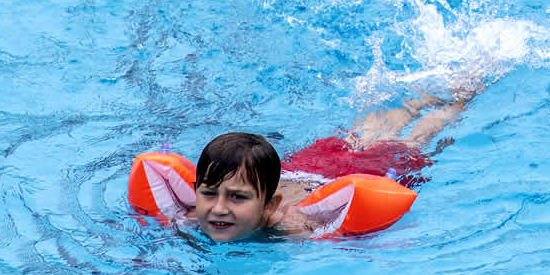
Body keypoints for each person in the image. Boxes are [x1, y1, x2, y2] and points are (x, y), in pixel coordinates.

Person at [189, 90, 474, 241]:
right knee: (361, 133)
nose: (219, 208)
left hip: (346, 176)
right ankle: (422, 95)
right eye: (209, 193)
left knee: (413, 140)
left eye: (238, 197)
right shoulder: (191, 218)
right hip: (306, 166)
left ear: (271, 205)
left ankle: (458, 98)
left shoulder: (292, 228)